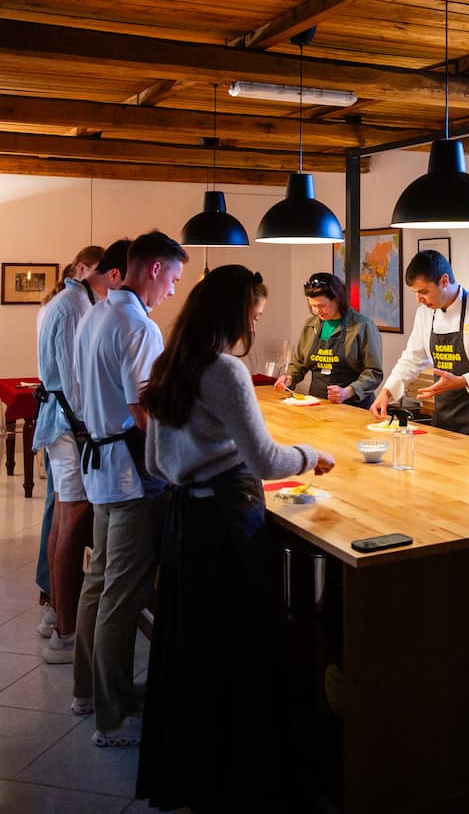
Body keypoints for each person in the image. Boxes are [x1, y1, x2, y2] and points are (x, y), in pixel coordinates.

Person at [136, 265, 335, 812]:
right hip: (226, 521)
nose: (254, 324)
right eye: (254, 314)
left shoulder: (169, 362)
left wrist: (204, 456)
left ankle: (192, 772)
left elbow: (154, 461)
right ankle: (239, 777)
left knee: (195, 647)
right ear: (234, 313)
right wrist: (311, 456)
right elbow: (266, 460)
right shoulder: (225, 370)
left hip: (186, 520)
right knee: (239, 646)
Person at [72, 231, 188, 746]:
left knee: (98, 583)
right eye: (174, 279)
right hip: (130, 476)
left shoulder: (96, 313)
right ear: (155, 268)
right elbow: (145, 413)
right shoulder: (138, 326)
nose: (172, 291)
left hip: (100, 465)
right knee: (121, 596)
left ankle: (87, 692)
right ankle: (113, 717)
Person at [32, 244, 116, 645]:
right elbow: (72, 380)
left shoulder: (71, 301)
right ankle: (66, 630)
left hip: (61, 421)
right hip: (67, 425)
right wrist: (94, 424)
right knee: (72, 518)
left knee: (62, 519)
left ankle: (56, 611)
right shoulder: (72, 305)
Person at [370, 250, 469, 440]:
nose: (419, 299)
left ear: (444, 281)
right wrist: (387, 392)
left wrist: (462, 381)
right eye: (415, 293)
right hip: (442, 420)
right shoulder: (425, 313)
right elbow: (412, 358)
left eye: (423, 292)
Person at [275, 271, 383, 407]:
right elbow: (299, 364)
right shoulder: (311, 325)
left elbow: (374, 372)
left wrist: (347, 392)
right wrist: (289, 378)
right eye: (313, 306)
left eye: (321, 306)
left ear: (337, 300)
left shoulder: (362, 326)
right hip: (318, 404)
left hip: (353, 407)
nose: (316, 311)